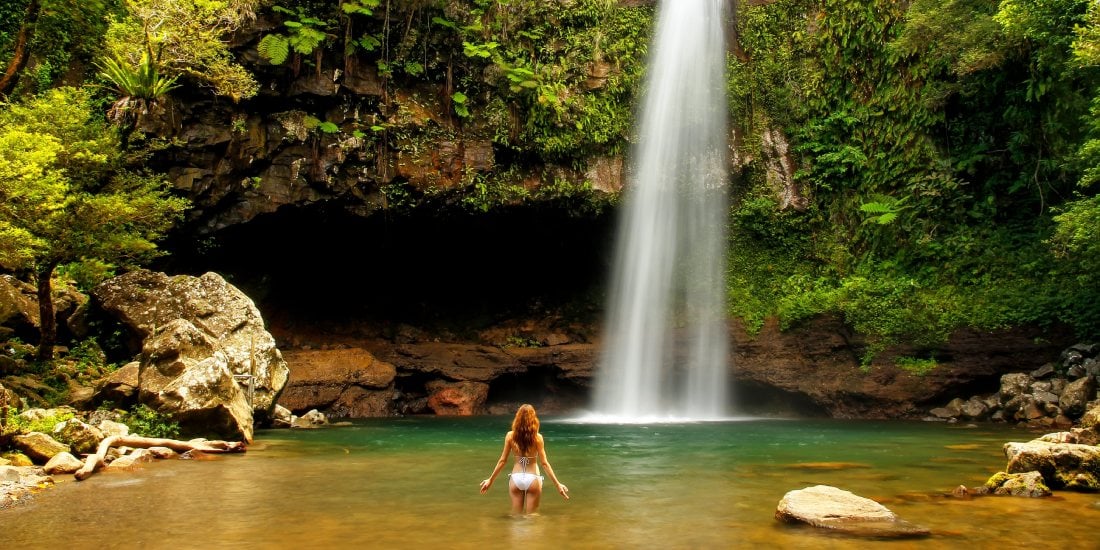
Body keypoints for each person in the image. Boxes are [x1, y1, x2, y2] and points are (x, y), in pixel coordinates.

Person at [479, 404, 569, 514]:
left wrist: (490, 480)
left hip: (516, 479)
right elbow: (544, 464)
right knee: (532, 517)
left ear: (517, 418)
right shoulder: (538, 438)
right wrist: (557, 484)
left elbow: (503, 461)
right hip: (533, 478)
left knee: (516, 517)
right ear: (533, 419)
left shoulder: (510, 436)